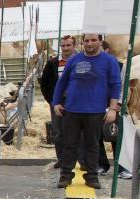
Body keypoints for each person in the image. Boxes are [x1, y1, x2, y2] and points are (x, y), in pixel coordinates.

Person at [52, 33, 123, 189]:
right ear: (82, 42)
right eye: (86, 41)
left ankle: (91, 177)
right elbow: (61, 83)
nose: (89, 43)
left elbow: (115, 85)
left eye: (93, 40)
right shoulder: (73, 60)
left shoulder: (110, 61)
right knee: (69, 145)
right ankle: (65, 176)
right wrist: (56, 102)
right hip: (72, 110)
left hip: (96, 111)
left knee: (92, 145)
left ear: (100, 41)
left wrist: (112, 108)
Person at [40, 35, 78, 168]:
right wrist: (51, 100)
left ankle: (79, 159)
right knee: (58, 131)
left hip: (77, 101)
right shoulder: (52, 63)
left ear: (74, 46)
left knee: (78, 130)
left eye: (68, 45)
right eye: (63, 45)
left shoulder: (81, 61)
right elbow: (44, 82)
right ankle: (62, 159)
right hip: (58, 101)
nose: (66, 48)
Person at [99, 40, 131, 179]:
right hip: (97, 105)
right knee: (96, 136)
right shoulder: (93, 64)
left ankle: (122, 168)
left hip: (114, 106)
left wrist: (118, 103)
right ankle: (101, 165)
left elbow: (123, 85)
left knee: (116, 136)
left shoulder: (118, 65)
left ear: (106, 50)